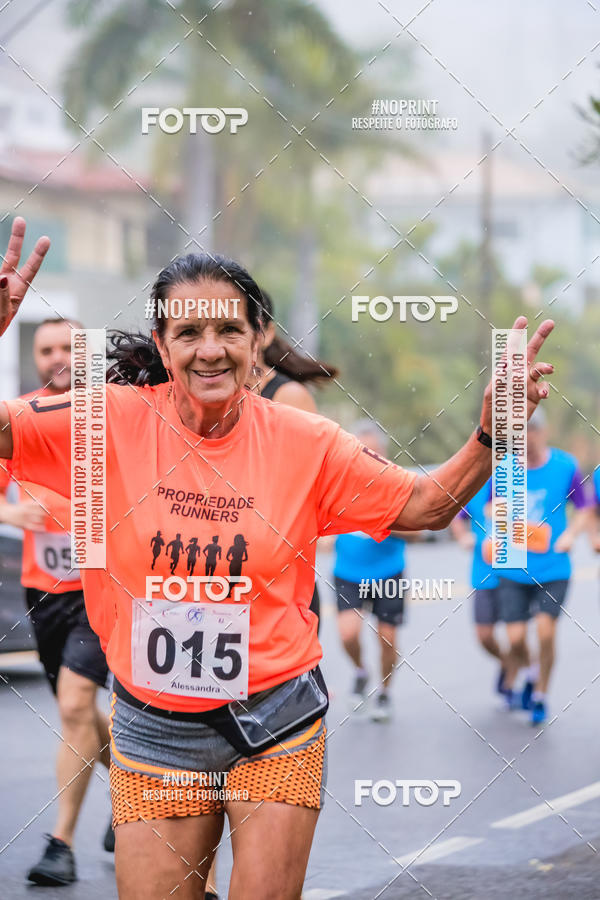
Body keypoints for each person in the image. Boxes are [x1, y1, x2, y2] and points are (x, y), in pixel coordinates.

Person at [0, 217, 554, 900]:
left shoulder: (306, 441)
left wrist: (489, 434)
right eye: (189, 333)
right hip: (153, 725)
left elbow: (425, 505)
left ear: (258, 338)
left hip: (276, 721)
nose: (211, 351)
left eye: (229, 330)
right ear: (161, 346)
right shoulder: (106, 421)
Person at [0, 315, 111, 886]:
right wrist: (12, 512)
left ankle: (60, 844)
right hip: (45, 592)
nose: (58, 357)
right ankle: (137, 787)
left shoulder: (113, 414)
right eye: (46, 349)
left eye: (70, 346)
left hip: (103, 588)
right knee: (82, 715)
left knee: (73, 705)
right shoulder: (16, 419)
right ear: (35, 356)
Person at [495, 408, 589, 725]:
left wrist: (571, 535)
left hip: (553, 568)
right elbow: (494, 508)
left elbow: (586, 507)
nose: (527, 438)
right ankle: (532, 669)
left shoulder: (565, 466)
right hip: (513, 566)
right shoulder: (506, 469)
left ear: (542, 432)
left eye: (532, 431)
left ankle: (540, 695)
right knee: (517, 638)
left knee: (546, 633)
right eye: (521, 434)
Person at [256, 288, 338, 631]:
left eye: (232, 328)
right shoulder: (199, 396)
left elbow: (305, 491)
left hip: (279, 583)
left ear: (265, 334)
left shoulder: (289, 397)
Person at [333, 419, 417, 722]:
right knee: (347, 634)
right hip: (348, 572)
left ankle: (384, 694)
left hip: (388, 573)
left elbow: (418, 533)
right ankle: (360, 671)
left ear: (383, 453)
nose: (368, 457)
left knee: (387, 638)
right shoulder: (339, 482)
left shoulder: (397, 483)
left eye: (374, 451)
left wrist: (385, 524)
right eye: (362, 451)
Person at [450, 478, 516, 698]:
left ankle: (517, 679)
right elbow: (457, 517)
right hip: (484, 572)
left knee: (517, 636)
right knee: (484, 636)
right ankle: (508, 663)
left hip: (515, 571)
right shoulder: (477, 486)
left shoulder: (520, 485)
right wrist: (462, 536)